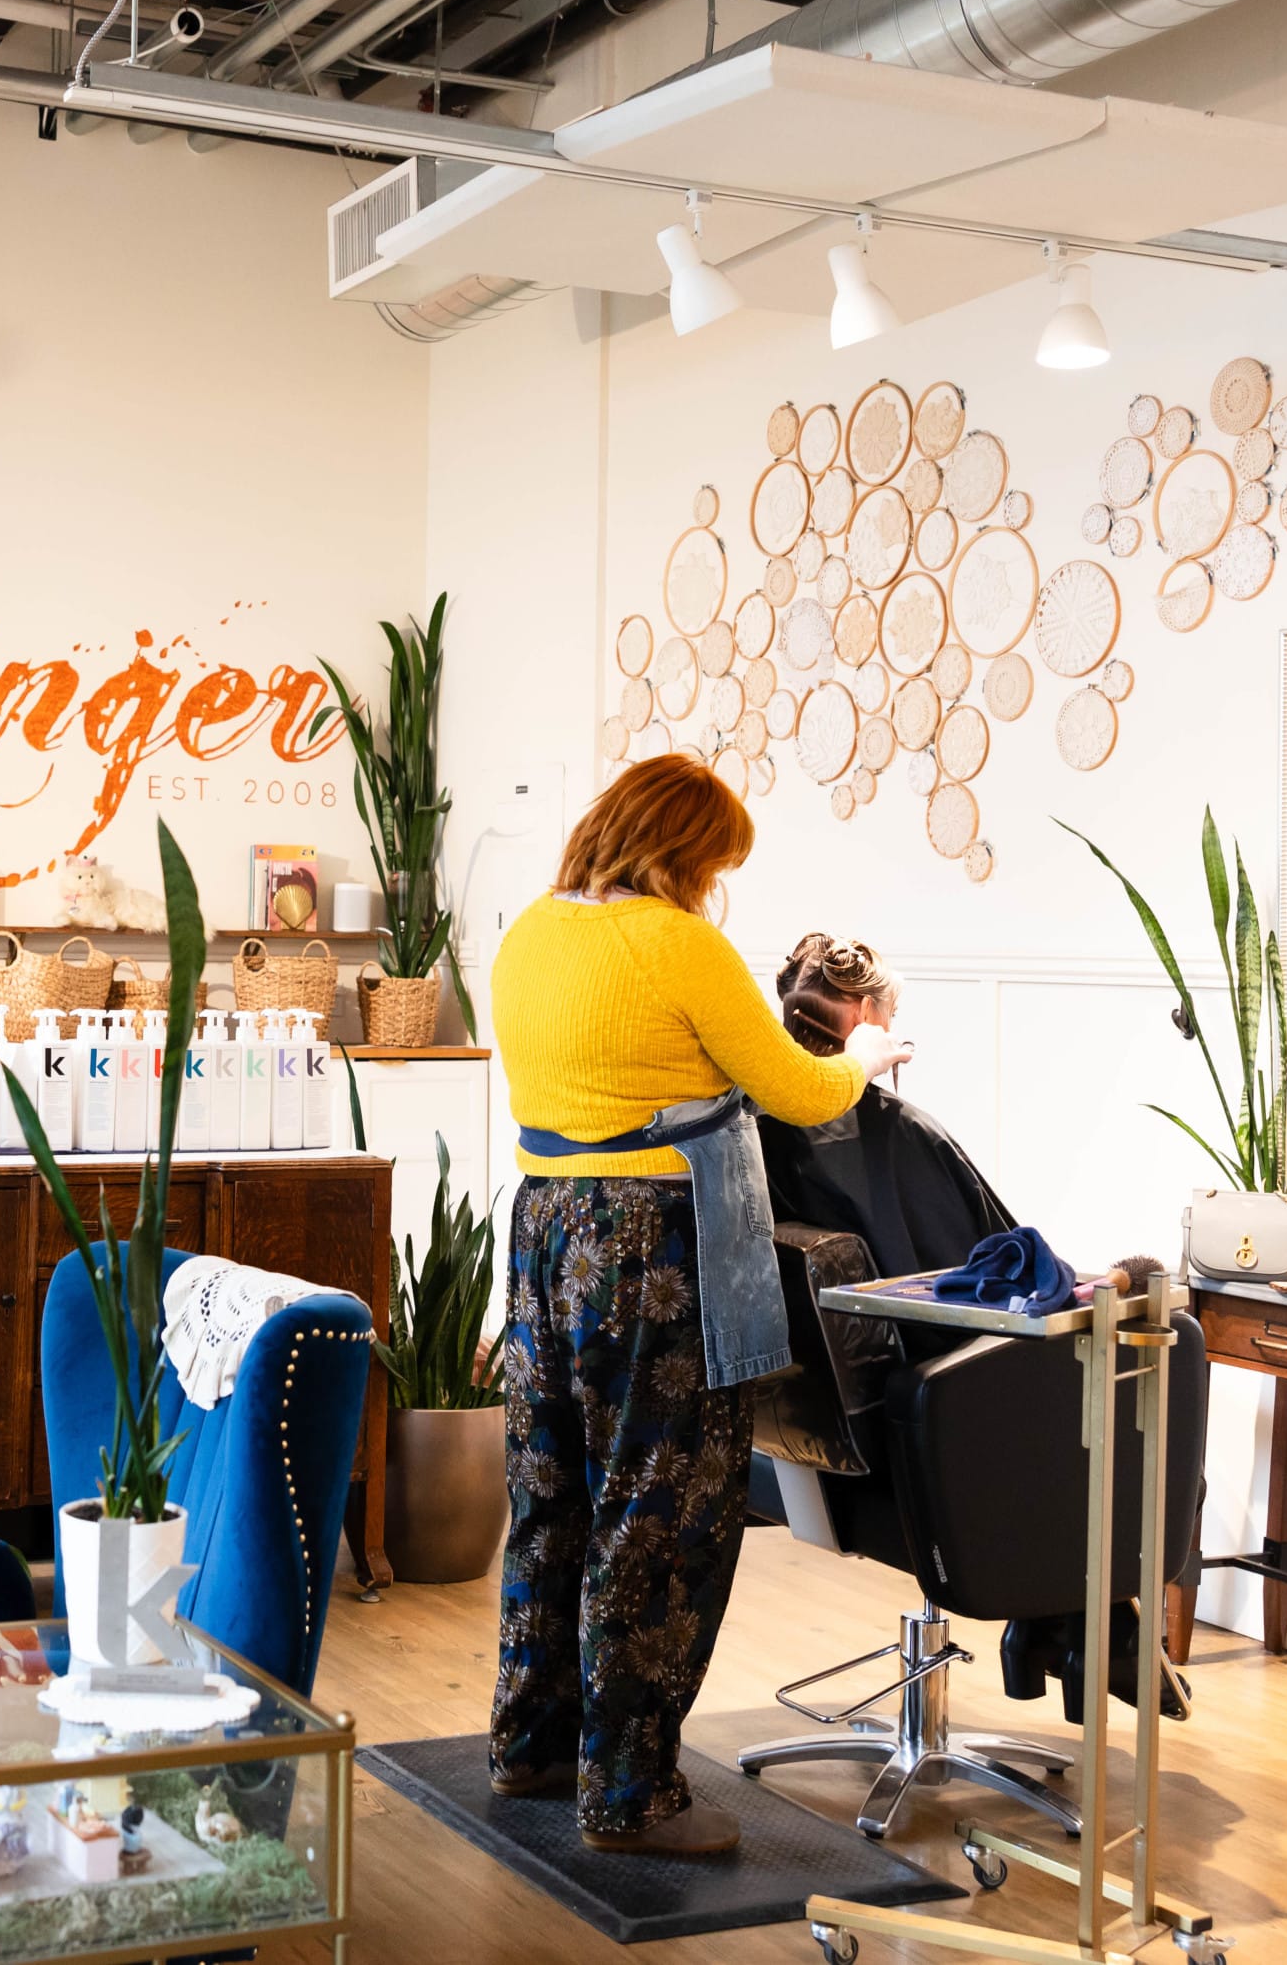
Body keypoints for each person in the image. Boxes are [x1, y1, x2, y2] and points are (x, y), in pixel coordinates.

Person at [486, 755, 911, 1857]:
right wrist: (862, 1053)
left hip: (543, 1230)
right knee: (659, 1513)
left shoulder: (531, 930)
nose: (717, 881)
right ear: (679, 848)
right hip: (648, 1253)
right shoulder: (676, 942)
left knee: (551, 1493)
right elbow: (799, 1087)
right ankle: (630, 1792)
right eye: (714, 859)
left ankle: (533, 1741)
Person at [760, 932, 1016, 1274]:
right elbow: (991, 1262)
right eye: (890, 1012)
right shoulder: (903, 1128)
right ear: (865, 1016)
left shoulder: (754, 1112)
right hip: (915, 1321)